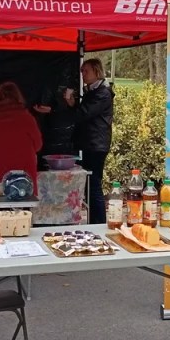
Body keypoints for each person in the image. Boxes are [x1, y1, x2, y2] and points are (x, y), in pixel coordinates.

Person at [66, 58, 114, 224]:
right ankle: (95, 222)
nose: (83, 75)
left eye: (86, 71)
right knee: (89, 185)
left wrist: (71, 105)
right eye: (81, 71)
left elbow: (84, 114)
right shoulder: (93, 91)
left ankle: (99, 223)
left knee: (93, 185)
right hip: (91, 143)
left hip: (96, 145)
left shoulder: (102, 93)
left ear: (96, 71)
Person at [0, 81, 43, 192]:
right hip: (24, 175)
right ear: (18, 98)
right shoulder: (27, 117)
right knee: (24, 204)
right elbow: (38, 145)